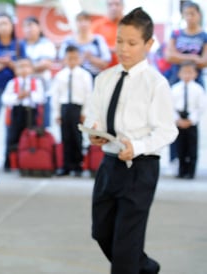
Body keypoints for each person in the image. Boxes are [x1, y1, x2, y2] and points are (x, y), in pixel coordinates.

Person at [83, 7, 178, 274]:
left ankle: (135, 266)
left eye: (132, 43)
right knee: (101, 231)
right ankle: (146, 267)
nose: (123, 49)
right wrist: (94, 132)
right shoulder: (104, 78)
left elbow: (167, 131)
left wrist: (138, 147)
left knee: (125, 247)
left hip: (140, 169)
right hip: (109, 165)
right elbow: (94, 116)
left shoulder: (155, 84)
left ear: (149, 44)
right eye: (119, 41)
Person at [51, 45, 93, 177]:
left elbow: (89, 95)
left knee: (77, 137)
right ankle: (66, 166)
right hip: (65, 107)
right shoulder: (60, 75)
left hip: (78, 108)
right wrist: (57, 114)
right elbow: (56, 96)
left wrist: (85, 112)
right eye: (69, 58)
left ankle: (78, 165)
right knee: (66, 137)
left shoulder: (85, 75)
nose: (72, 61)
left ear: (80, 58)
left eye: (75, 58)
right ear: (65, 59)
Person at [1, 58, 45, 171]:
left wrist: (30, 94)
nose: (24, 69)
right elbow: (5, 99)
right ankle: (10, 162)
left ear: (31, 69)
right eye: (21, 67)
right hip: (17, 111)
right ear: (16, 70)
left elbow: (41, 98)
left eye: (27, 66)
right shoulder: (12, 83)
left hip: (31, 112)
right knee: (12, 137)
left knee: (30, 136)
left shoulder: (36, 83)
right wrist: (17, 97)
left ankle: (28, 162)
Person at [171, 61, 206, 179]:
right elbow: (170, 106)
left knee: (192, 147)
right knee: (180, 147)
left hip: (192, 121)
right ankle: (181, 170)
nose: (187, 75)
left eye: (190, 72)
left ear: (195, 74)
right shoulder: (174, 89)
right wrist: (177, 120)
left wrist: (191, 120)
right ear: (179, 74)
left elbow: (201, 107)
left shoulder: (198, 89)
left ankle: (191, 172)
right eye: (184, 72)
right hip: (179, 120)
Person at [21, 16, 56, 127]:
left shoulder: (46, 44)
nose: (28, 29)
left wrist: (24, 67)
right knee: (24, 125)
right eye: (25, 26)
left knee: (41, 126)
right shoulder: (20, 45)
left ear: (39, 27)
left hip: (43, 90)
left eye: (31, 25)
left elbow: (46, 64)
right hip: (23, 92)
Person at [165, 1, 207, 87]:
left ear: (199, 14)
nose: (189, 17)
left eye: (192, 14)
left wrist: (179, 58)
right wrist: (193, 57)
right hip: (175, 79)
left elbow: (204, 62)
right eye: (186, 14)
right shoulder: (176, 34)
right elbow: (169, 56)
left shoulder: (204, 36)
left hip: (196, 80)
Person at [59, 11, 111, 78]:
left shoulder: (98, 40)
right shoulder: (69, 41)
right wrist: (81, 59)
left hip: (94, 78)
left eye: (86, 20)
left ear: (90, 22)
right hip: (74, 78)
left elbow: (105, 63)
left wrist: (91, 58)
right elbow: (63, 62)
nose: (83, 24)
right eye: (80, 21)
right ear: (76, 23)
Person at [92, 0, 124, 67]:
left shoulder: (130, 25)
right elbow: (90, 46)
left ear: (122, 6)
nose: (114, 8)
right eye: (110, 5)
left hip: (125, 67)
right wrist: (107, 49)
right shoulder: (96, 26)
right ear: (107, 7)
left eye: (117, 4)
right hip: (102, 69)